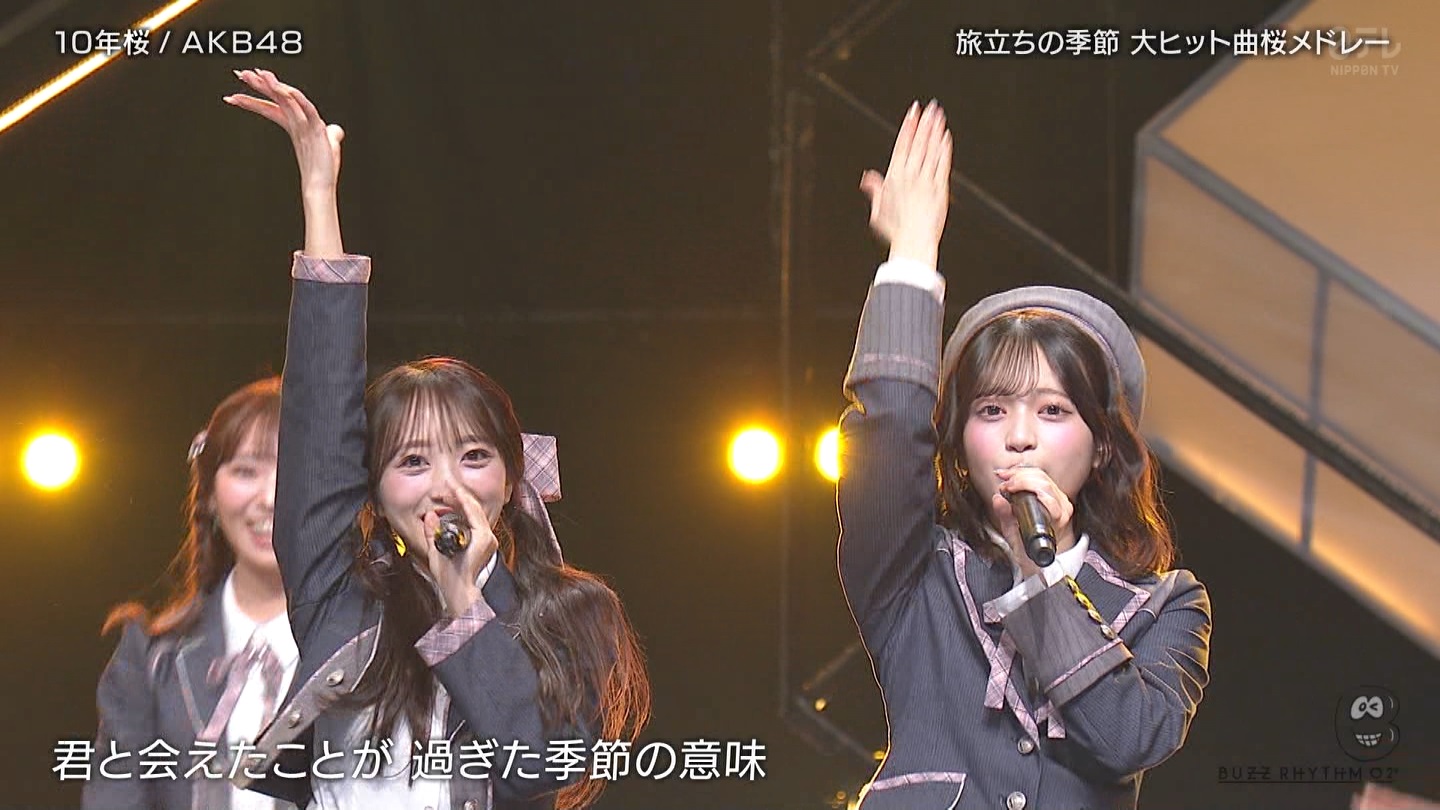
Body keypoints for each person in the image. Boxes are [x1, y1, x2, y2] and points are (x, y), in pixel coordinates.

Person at [220, 69, 650, 810]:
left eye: (473, 456)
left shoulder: (574, 610)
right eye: (413, 461)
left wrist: (463, 601)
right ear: (375, 487)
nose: (446, 485)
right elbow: (319, 416)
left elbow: (538, 766)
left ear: (512, 475)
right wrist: (320, 197)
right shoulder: (340, 593)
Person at [837, 100, 1212, 809]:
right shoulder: (916, 569)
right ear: (959, 439)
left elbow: (1132, 738)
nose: (1019, 436)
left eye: (1052, 411)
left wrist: (1042, 572)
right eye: (991, 410)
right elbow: (887, 431)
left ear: (1102, 446)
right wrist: (911, 252)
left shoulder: (1168, 603)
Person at [83, 376, 302, 810]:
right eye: (246, 471)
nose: (269, 497)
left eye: (294, 471)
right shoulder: (150, 654)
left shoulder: (369, 646)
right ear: (210, 496)